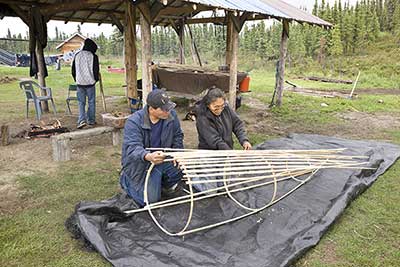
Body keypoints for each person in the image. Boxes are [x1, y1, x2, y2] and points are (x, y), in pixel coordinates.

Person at [120, 89, 184, 207]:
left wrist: (177, 153)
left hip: (163, 159)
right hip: (141, 164)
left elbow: (177, 136)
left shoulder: (171, 116)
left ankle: (162, 183)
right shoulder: (134, 122)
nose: (168, 112)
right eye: (164, 109)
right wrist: (147, 156)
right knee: (149, 201)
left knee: (183, 170)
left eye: (168, 108)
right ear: (151, 109)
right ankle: (126, 180)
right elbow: (133, 148)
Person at [71, 39, 99, 129]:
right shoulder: (93, 56)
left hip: (79, 83)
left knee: (81, 103)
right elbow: (96, 70)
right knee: (91, 102)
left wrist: (76, 79)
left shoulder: (77, 55)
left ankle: (81, 120)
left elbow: (73, 70)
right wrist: (96, 79)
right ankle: (91, 120)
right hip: (90, 83)